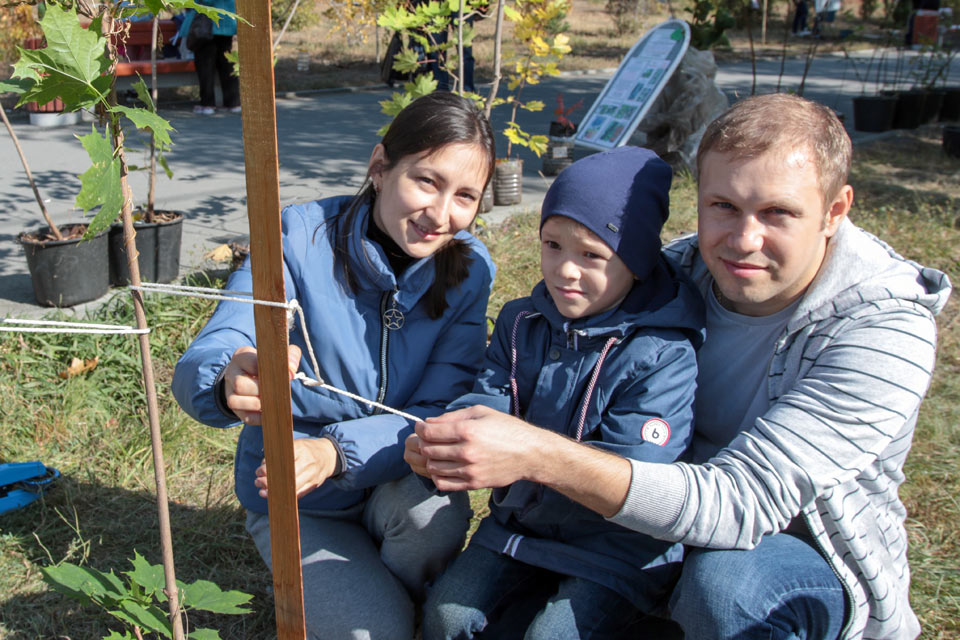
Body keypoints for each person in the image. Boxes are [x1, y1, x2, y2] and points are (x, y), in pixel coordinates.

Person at [405, 93, 953, 640]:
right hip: (628, 530)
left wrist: (534, 454)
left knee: (727, 585)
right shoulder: (669, 274)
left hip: (790, 548)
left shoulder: (882, 331)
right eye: (724, 206)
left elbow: (742, 505)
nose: (744, 239)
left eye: (778, 212)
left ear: (834, 211)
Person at [172, 92, 497, 639]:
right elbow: (224, 336)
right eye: (427, 181)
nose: (441, 215)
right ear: (379, 166)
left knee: (432, 519)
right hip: (299, 502)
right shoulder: (298, 237)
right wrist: (230, 377)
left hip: (397, 479)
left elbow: (442, 407)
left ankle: (404, 596)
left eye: (465, 196)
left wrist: (333, 452)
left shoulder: (470, 270)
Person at [417, 147, 705, 639]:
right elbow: (489, 397)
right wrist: (457, 433)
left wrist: (524, 458)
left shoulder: (662, 352)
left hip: (616, 549)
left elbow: (637, 474)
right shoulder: (521, 320)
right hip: (518, 528)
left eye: (592, 254)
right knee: (446, 618)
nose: (566, 270)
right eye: (553, 245)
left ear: (635, 261)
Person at [178, 0, 240, 115]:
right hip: (226, 22)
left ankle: (207, 104)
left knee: (205, 66)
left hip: (207, 25)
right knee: (227, 64)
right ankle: (233, 102)